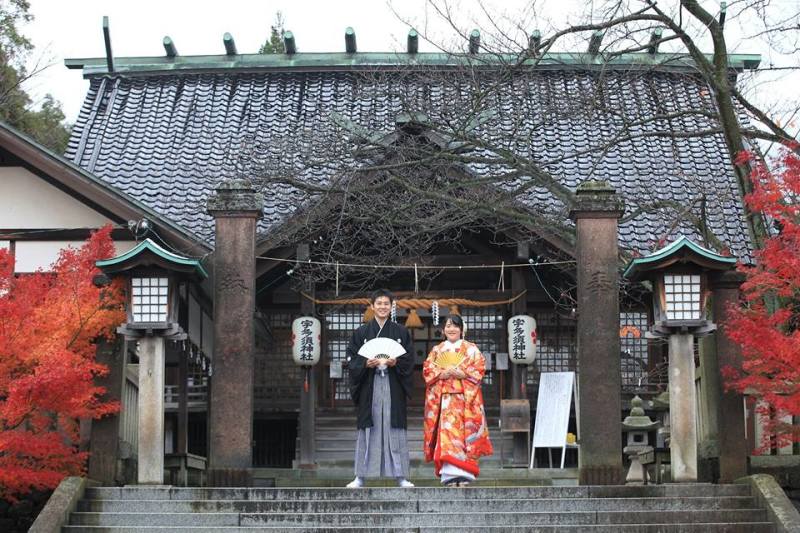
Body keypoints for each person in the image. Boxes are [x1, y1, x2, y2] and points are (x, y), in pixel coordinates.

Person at [346, 289, 415, 488]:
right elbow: (351, 359)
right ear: (372, 306)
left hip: (393, 385)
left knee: (395, 429)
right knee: (368, 428)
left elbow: (409, 359)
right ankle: (360, 476)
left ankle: (401, 476)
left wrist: (396, 362)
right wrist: (364, 363)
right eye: (379, 303)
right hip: (370, 385)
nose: (383, 306)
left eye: (386, 303)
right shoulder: (361, 333)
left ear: (391, 306)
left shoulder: (401, 332)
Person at [423, 315, 493, 486]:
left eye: (455, 326)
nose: (451, 329)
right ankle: (449, 476)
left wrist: (464, 374)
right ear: (443, 329)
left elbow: (479, 369)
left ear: (462, 329)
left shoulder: (471, 349)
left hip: (465, 400)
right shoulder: (437, 350)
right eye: (448, 326)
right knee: (448, 437)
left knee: (464, 437)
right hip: (445, 400)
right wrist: (441, 374)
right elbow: (427, 370)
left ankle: (465, 475)